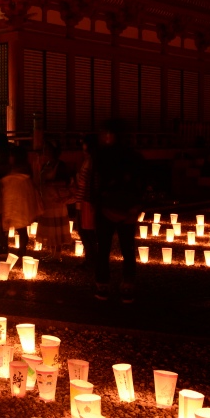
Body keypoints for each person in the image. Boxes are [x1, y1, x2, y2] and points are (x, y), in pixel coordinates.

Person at [92, 121, 144, 303]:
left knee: (105, 249)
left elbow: (96, 183)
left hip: (109, 207)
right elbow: (142, 183)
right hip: (126, 209)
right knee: (126, 249)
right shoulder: (134, 157)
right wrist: (137, 206)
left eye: (105, 134)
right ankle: (126, 285)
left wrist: (98, 201)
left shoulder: (101, 156)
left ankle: (103, 284)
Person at [0, 145, 41, 258]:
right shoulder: (20, 169)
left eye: (11, 156)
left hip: (19, 201)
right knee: (16, 226)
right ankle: (9, 248)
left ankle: (21, 250)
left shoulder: (22, 170)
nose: (10, 158)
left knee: (21, 227)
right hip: (16, 200)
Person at [37, 141, 73, 252]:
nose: (45, 152)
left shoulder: (60, 165)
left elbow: (66, 181)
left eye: (47, 149)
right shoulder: (46, 164)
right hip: (47, 200)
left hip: (56, 201)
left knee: (56, 227)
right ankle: (52, 250)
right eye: (44, 149)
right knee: (50, 228)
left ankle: (57, 252)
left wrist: (51, 183)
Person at [73, 134, 99, 271]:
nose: (82, 147)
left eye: (84, 144)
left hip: (86, 201)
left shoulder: (91, 161)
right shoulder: (87, 160)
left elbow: (88, 182)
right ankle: (91, 259)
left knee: (87, 232)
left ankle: (92, 260)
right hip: (82, 200)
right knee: (83, 231)